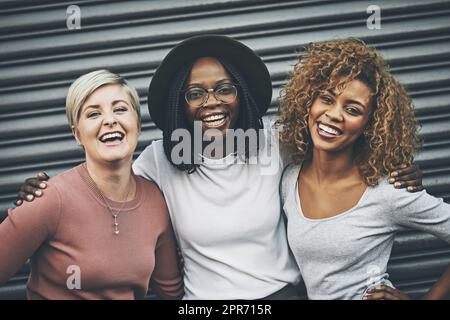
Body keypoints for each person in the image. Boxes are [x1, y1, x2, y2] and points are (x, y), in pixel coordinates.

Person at [11, 35, 423, 300]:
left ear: (240, 94)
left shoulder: (273, 141)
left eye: (224, 88)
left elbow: (338, 153)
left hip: (280, 295)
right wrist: (43, 196)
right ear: (181, 103)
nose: (212, 102)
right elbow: (107, 186)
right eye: (196, 93)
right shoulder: (160, 159)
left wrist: (392, 175)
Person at [276, 38, 450, 300]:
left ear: (370, 125)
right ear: (308, 103)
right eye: (326, 98)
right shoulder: (289, 179)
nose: (334, 114)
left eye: (353, 109)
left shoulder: (387, 192)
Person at [0, 70, 183, 300]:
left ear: (137, 124)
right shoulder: (50, 199)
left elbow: (172, 293)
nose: (109, 120)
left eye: (120, 109)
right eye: (93, 114)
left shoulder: (155, 200)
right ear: (77, 134)